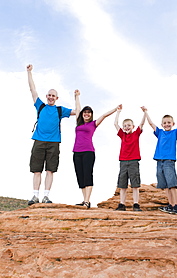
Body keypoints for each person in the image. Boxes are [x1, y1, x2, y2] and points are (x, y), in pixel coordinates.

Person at [27, 64, 77, 205]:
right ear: (46, 96)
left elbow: (77, 112)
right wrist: (29, 72)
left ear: (57, 98)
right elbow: (32, 89)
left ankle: (46, 196)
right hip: (38, 141)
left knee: (50, 170)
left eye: (53, 96)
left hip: (54, 143)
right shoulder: (40, 106)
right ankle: (35, 196)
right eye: (49, 95)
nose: (50, 97)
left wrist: (76, 97)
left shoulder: (60, 110)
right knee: (37, 170)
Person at [73, 90, 120, 208]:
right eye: (85, 112)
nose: (86, 114)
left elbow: (104, 115)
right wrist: (77, 96)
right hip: (76, 152)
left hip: (88, 152)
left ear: (91, 114)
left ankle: (87, 201)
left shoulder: (93, 124)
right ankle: (84, 200)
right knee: (80, 176)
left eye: (89, 113)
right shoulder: (78, 123)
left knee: (88, 174)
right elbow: (78, 108)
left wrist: (116, 109)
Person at [142, 106, 177, 215]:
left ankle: (176, 206)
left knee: (172, 184)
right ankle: (170, 205)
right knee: (165, 185)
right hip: (159, 161)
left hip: (169, 161)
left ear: (173, 123)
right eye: (164, 123)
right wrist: (146, 112)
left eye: (169, 122)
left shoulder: (174, 133)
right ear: (162, 125)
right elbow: (151, 124)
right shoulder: (160, 132)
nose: (167, 124)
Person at [114, 105, 146, 211]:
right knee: (122, 184)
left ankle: (136, 204)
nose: (127, 127)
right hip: (123, 161)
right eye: (125, 126)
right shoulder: (122, 135)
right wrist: (118, 112)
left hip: (133, 161)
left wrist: (145, 112)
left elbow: (142, 124)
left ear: (133, 126)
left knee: (135, 184)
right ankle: (122, 204)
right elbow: (115, 124)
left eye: (129, 125)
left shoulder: (136, 134)